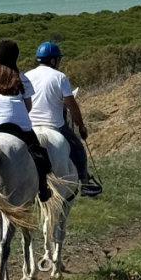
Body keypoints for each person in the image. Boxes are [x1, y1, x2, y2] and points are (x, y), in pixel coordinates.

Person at [0, 39, 53, 201]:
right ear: (15, 57)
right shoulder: (22, 79)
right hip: (21, 126)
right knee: (40, 157)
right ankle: (43, 189)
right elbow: (28, 106)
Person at [25, 41, 102, 197]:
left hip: (29, 127)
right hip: (55, 125)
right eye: (58, 59)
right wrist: (81, 126)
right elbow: (71, 105)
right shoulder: (60, 77)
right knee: (78, 149)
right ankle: (85, 182)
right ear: (54, 60)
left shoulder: (26, 76)